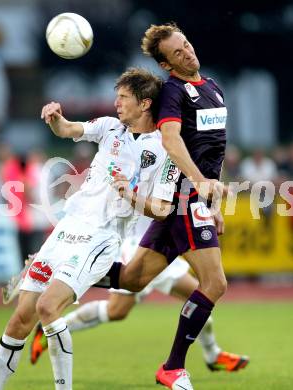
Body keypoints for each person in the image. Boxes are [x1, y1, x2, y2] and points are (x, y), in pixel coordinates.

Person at [0, 68, 177, 390]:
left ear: (145, 104)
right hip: (67, 228)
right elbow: (68, 129)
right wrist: (54, 118)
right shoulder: (109, 128)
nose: (116, 103)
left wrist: (129, 195)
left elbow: (161, 209)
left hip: (102, 236)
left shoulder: (165, 150)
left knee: (48, 306)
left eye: (123, 98)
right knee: (20, 318)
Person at [98, 23, 230, 390]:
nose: (187, 52)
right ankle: (173, 367)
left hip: (193, 199)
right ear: (166, 64)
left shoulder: (215, 88)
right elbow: (171, 140)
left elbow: (214, 150)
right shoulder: (173, 92)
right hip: (182, 195)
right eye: (177, 53)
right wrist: (200, 185)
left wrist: (213, 199)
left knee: (131, 279)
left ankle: (63, 271)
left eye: (186, 45)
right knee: (214, 282)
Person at [30, 214, 249, 372]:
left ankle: (213, 355)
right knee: (116, 311)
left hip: (163, 250)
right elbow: (155, 206)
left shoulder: (174, 166)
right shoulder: (150, 164)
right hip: (139, 250)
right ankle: (48, 328)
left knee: (203, 296)